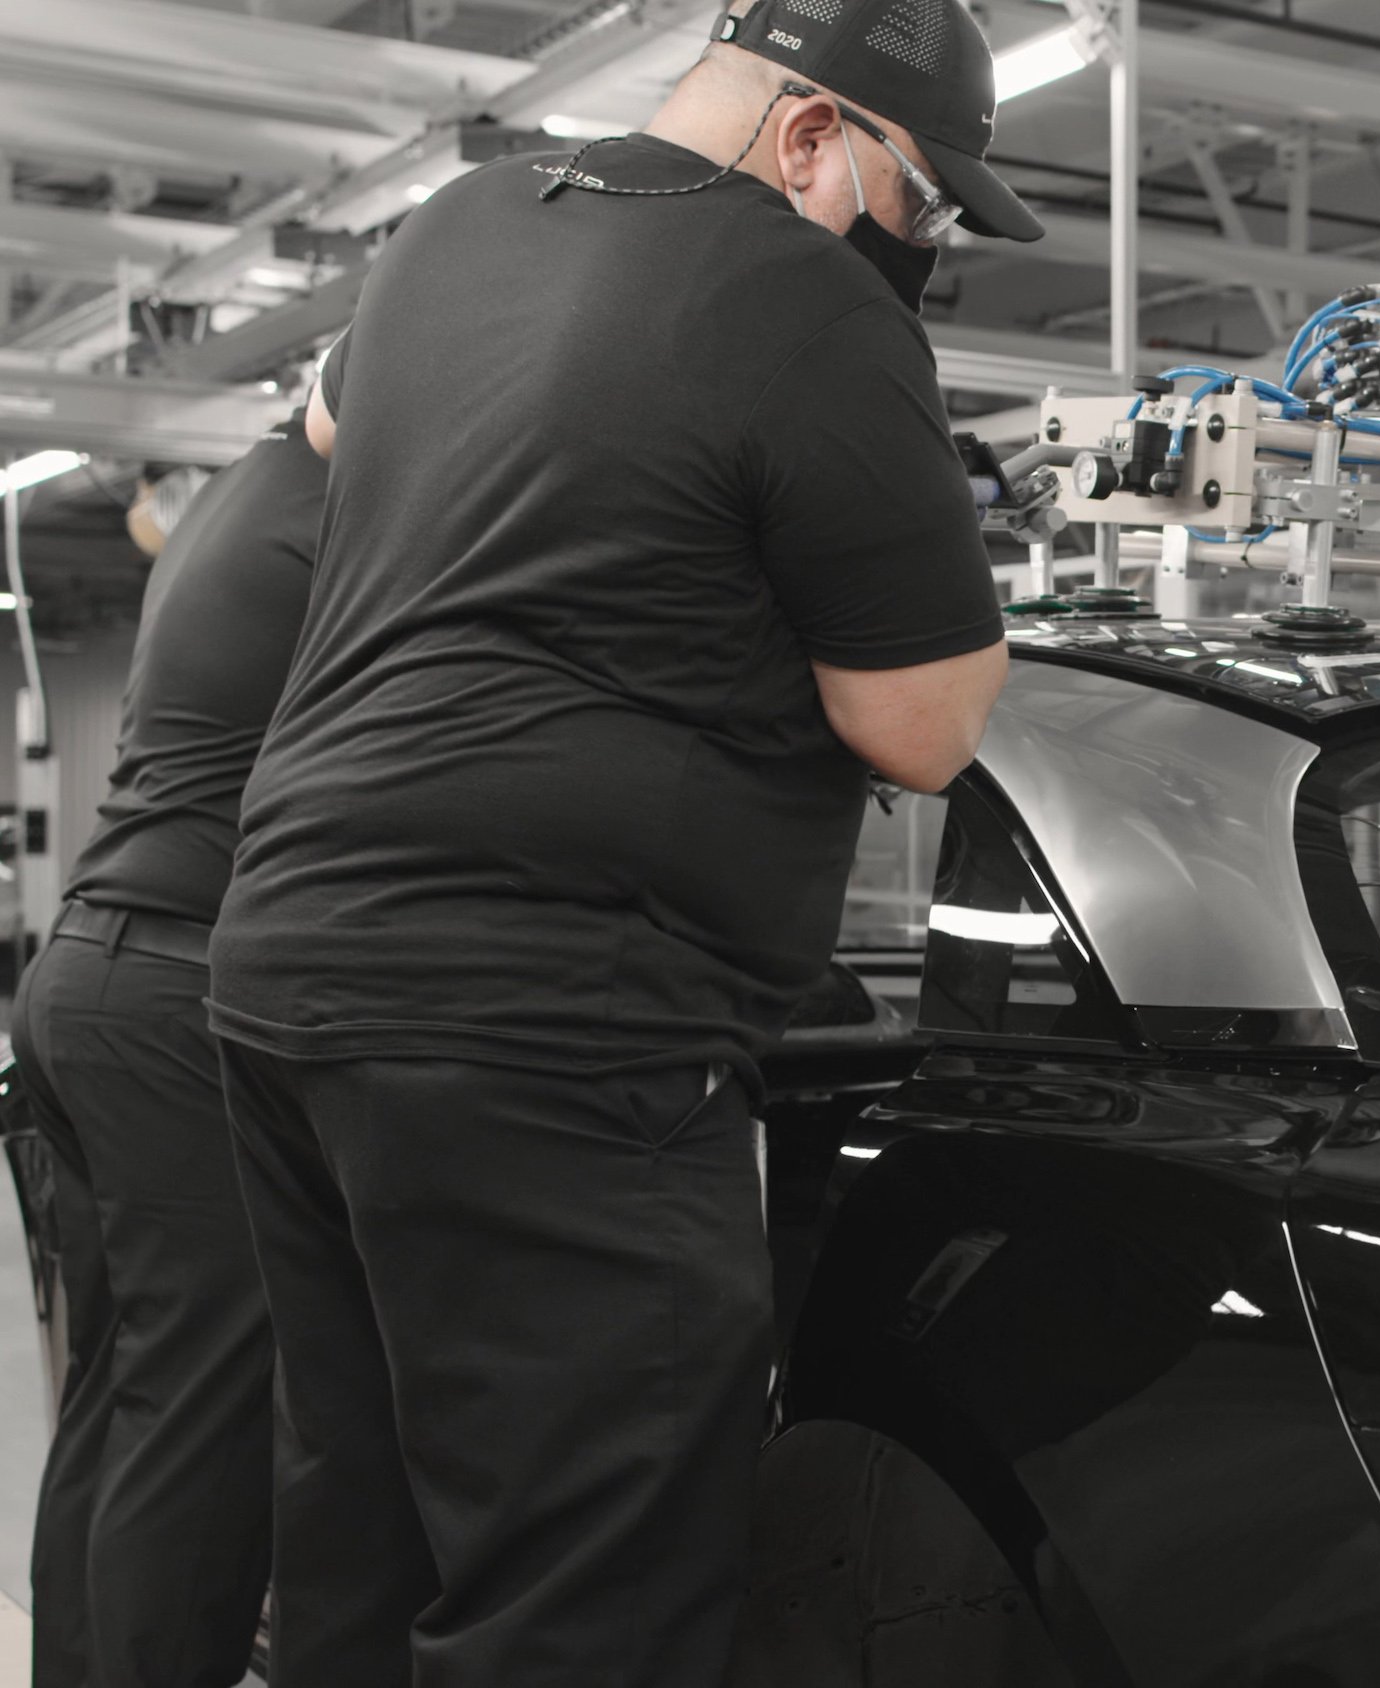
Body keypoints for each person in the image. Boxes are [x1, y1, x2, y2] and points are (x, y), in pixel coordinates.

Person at [203, 0, 1031, 1679]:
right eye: (922, 203)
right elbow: (923, 728)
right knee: (585, 1587)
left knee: (358, 1527)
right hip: (545, 1012)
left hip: (292, 957)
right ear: (812, 135)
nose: (921, 248)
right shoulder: (806, 298)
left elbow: (331, 441)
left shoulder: (458, 223)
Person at [13, 415, 321, 1688]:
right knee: (202, 1411)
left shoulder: (242, 496)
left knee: (122, 1388)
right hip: (170, 988)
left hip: (88, 969)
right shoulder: (334, 520)